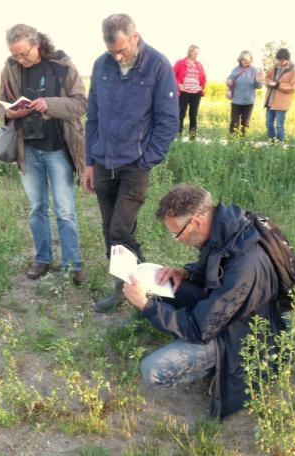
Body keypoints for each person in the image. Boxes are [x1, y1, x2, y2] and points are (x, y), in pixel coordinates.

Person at [122, 185, 286, 419]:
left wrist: (146, 307)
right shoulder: (226, 229)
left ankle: (211, 366)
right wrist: (187, 272)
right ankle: (176, 330)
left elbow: (200, 328)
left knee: (153, 370)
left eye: (176, 233)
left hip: (241, 333)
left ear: (197, 222)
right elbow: (218, 265)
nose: (176, 240)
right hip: (224, 309)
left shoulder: (245, 266)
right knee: (160, 288)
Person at [84, 14, 179, 312]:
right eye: (112, 51)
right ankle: (123, 286)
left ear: (135, 37)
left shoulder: (158, 65)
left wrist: (146, 160)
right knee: (108, 229)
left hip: (134, 165)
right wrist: (89, 161)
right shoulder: (101, 65)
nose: (117, 56)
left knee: (120, 231)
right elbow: (93, 117)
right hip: (103, 163)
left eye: (122, 49)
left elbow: (168, 120)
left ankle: (145, 291)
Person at [0, 24, 87, 283]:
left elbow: (81, 103)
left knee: (65, 210)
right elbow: (0, 105)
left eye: (24, 54)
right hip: (28, 149)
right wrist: (10, 113)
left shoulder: (61, 65)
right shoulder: (10, 69)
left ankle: (73, 264)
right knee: (37, 207)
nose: (19, 59)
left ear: (37, 44)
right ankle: (42, 259)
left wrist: (50, 104)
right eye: (15, 55)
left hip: (58, 148)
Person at [264, 48, 295, 143]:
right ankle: (272, 143)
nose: (280, 62)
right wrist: (270, 83)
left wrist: (278, 85)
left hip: (282, 103)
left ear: (287, 59)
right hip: (270, 101)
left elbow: (292, 87)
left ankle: (280, 145)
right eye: (278, 60)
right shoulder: (274, 68)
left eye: (282, 60)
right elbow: (267, 79)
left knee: (279, 125)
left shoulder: (293, 71)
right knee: (269, 124)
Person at [173, 45, 207, 139]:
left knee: (193, 115)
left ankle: (192, 137)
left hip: (196, 93)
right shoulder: (180, 62)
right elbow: (172, 74)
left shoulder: (199, 64)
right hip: (184, 92)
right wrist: (178, 84)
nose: (196, 55)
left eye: (198, 53)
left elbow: (203, 77)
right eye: (195, 52)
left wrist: (201, 87)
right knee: (181, 114)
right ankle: (178, 136)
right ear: (190, 51)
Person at [226, 51, 263, 135]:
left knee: (245, 124)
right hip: (236, 100)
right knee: (234, 123)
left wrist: (258, 81)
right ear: (240, 60)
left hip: (248, 101)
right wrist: (229, 81)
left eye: (246, 59)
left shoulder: (255, 70)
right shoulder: (236, 69)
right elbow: (229, 79)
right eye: (242, 59)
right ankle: (232, 142)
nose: (244, 61)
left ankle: (243, 143)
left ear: (250, 60)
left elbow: (259, 86)